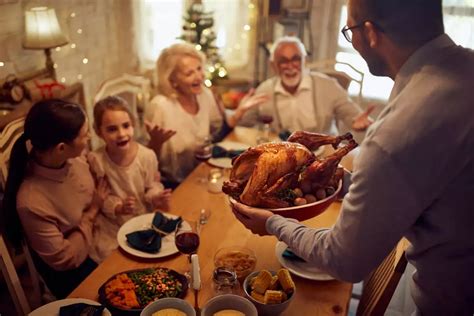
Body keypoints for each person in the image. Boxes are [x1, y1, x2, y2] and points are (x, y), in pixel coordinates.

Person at [231, 0, 474, 314]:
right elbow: (427, 181)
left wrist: (274, 223)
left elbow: (343, 261)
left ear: (369, 33)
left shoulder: (395, 132)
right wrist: (348, 183)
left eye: (349, 30)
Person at [0, 99, 108, 299]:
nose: (90, 137)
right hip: (75, 272)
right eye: (85, 134)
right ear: (61, 148)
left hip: (100, 237)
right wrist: (92, 213)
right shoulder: (31, 201)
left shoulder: (73, 159)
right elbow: (64, 259)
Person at [145, 42, 268, 186]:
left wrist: (238, 113)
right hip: (172, 185)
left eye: (199, 69)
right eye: (189, 73)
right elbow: (144, 160)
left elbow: (216, 135)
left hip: (202, 174)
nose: (199, 77)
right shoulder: (160, 106)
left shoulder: (204, 94)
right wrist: (155, 142)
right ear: (172, 80)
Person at [88, 96, 172, 263]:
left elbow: (151, 185)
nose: (121, 134)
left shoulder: (146, 156)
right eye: (112, 129)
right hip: (114, 224)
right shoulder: (97, 160)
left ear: (133, 125)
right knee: (118, 261)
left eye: (126, 126)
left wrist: (156, 196)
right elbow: (100, 195)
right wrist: (118, 207)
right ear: (99, 132)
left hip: (143, 218)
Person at [238, 36, 374, 135]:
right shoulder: (264, 90)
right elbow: (245, 122)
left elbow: (352, 115)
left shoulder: (328, 85)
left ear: (305, 61)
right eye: (283, 61)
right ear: (273, 65)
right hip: (285, 156)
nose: (290, 66)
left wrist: (358, 123)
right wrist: (239, 112)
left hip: (323, 154)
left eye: (296, 59)